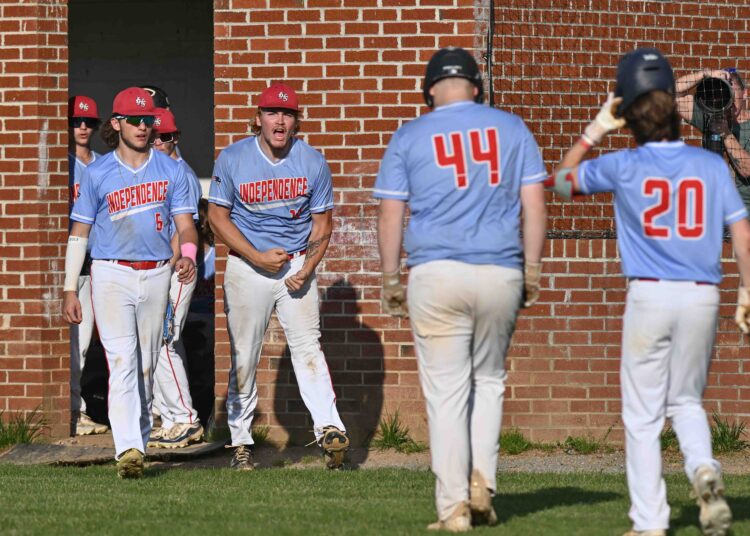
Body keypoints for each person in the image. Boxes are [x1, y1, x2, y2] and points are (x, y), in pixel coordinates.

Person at [547, 47, 750, 536]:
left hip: (650, 295)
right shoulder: (709, 166)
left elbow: (560, 182)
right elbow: (742, 233)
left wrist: (596, 129)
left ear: (630, 114)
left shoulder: (623, 164)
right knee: (687, 401)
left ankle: (650, 521)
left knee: (642, 416)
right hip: (702, 294)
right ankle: (704, 468)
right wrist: (747, 290)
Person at [374, 47, 547, 531]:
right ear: (475, 86)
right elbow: (535, 204)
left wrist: (390, 277)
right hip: (500, 269)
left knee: (446, 392)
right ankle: (483, 482)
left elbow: (390, 213)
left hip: (436, 273)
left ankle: (453, 508)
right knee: (488, 381)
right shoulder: (512, 127)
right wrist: (533, 269)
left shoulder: (410, 134)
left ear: (429, 90)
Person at [208, 82, 349, 470]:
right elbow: (216, 217)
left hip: (295, 268)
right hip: (246, 266)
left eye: (288, 114)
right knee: (245, 355)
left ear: (297, 121)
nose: (280, 120)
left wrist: (306, 269)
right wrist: (256, 255)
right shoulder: (233, 158)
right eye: (272, 113)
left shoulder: (312, 161)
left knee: (308, 348)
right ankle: (240, 442)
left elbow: (323, 223)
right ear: (258, 119)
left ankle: (330, 431)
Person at [62, 87, 198, 479]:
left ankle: (137, 441)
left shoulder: (171, 170)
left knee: (147, 365)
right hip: (111, 271)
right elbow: (79, 233)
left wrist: (188, 256)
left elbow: (186, 225)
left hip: (157, 271)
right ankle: (128, 449)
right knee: (121, 360)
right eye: (134, 120)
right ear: (117, 123)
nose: (143, 126)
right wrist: (70, 288)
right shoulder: (98, 172)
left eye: (148, 119)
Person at [147, 108, 205, 448]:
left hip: (177, 267)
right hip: (157, 268)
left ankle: (185, 418)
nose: (159, 143)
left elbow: (184, 229)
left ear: (175, 138)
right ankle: (169, 418)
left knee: (164, 340)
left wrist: (166, 264)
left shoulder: (180, 172)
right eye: (154, 138)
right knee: (159, 341)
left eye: (165, 137)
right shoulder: (149, 169)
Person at [67, 95, 108, 436]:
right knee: (73, 344)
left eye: (88, 122)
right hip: (71, 262)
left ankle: (80, 409)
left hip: (98, 261)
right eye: (76, 121)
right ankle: (73, 411)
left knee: (86, 343)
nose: (82, 127)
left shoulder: (103, 164)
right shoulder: (61, 163)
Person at [676, 67, 750, 210]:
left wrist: (725, 133)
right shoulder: (711, 116)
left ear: (745, 93)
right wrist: (705, 74)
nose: (730, 99)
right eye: (724, 93)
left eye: (733, 92)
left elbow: (746, 169)